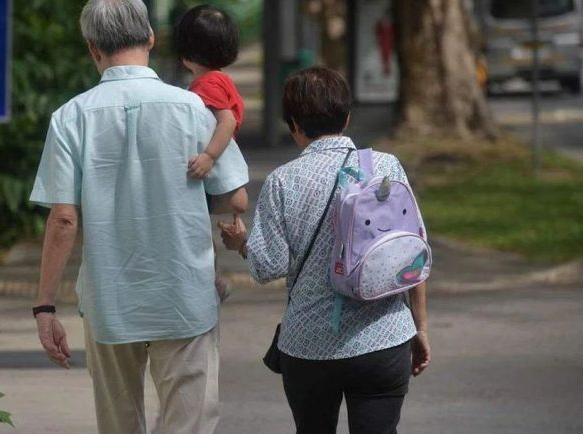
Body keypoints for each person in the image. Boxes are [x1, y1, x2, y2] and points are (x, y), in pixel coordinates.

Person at [28, 1, 249, 433]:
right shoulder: (192, 108)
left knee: (118, 423)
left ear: (93, 49)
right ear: (150, 37)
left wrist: (44, 306)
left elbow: (64, 220)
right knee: (189, 423)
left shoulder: (70, 117)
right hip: (185, 294)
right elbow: (236, 199)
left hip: (109, 299)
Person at [218, 66, 431, 434]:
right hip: (384, 338)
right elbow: (411, 251)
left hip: (309, 348)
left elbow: (267, 266)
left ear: (294, 124)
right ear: (346, 117)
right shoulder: (385, 166)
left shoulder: (282, 182)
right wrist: (420, 327)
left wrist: (242, 246)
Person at [174, 4, 245, 301]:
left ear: (187, 51)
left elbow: (226, 120)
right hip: (225, 160)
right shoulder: (220, 79)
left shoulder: (206, 84)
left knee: (198, 229)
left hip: (217, 161)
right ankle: (211, 278)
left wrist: (208, 156)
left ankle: (211, 280)